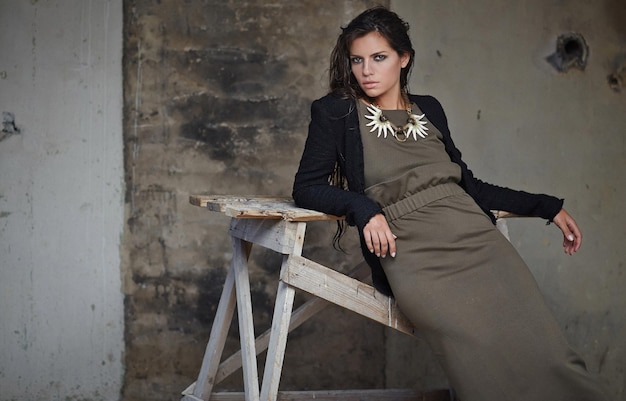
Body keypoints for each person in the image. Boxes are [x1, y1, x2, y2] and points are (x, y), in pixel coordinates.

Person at [292, 6, 609, 401]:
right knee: (477, 360)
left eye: (379, 57)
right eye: (357, 60)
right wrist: (365, 208)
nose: (366, 71)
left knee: (549, 355)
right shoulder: (336, 112)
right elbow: (306, 187)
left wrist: (547, 207)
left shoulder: (430, 107)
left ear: (403, 58)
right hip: (413, 251)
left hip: (477, 240)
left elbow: (469, 185)